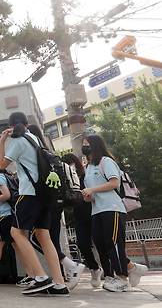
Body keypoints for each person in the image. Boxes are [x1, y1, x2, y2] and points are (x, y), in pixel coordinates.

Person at [0, 113, 68, 295]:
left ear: (10, 126)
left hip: (29, 193)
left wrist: (2, 141)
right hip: (45, 195)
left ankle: (40, 277)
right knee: (44, 236)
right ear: (27, 124)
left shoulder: (17, 141)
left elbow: (2, 164)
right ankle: (59, 284)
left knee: (16, 232)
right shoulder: (34, 138)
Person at [81, 134, 148, 292]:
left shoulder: (106, 162)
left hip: (112, 208)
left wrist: (93, 189)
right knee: (100, 244)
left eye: (87, 144)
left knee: (113, 243)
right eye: (83, 145)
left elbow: (114, 183)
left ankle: (122, 278)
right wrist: (87, 196)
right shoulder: (87, 168)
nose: (84, 148)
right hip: (96, 210)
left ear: (96, 146)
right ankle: (114, 275)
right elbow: (90, 194)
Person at [27, 124, 85, 290]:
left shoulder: (40, 155)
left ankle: (70, 267)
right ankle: (62, 276)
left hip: (47, 202)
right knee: (48, 239)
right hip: (56, 203)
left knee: (40, 238)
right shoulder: (48, 153)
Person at [0, 155, 31, 286]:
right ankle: (31, 275)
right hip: (14, 214)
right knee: (17, 246)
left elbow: (6, 195)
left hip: (6, 216)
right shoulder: (8, 176)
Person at [61, 153, 103, 288]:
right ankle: (94, 269)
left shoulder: (86, 175)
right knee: (83, 244)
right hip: (79, 215)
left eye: (70, 164)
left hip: (93, 212)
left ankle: (108, 272)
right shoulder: (66, 179)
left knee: (100, 243)